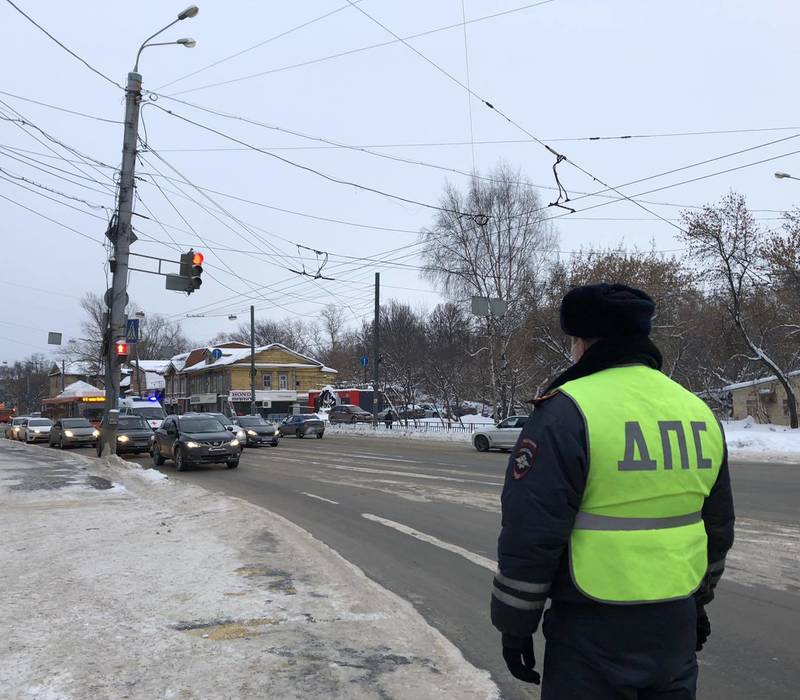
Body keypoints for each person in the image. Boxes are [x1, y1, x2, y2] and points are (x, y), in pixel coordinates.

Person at [491, 283, 735, 699]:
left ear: (583, 342)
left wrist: (515, 625)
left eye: (572, 341)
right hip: (674, 620)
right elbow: (717, 524)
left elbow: (531, 531)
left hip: (593, 627)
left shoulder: (567, 410)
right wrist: (698, 601)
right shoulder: (696, 411)